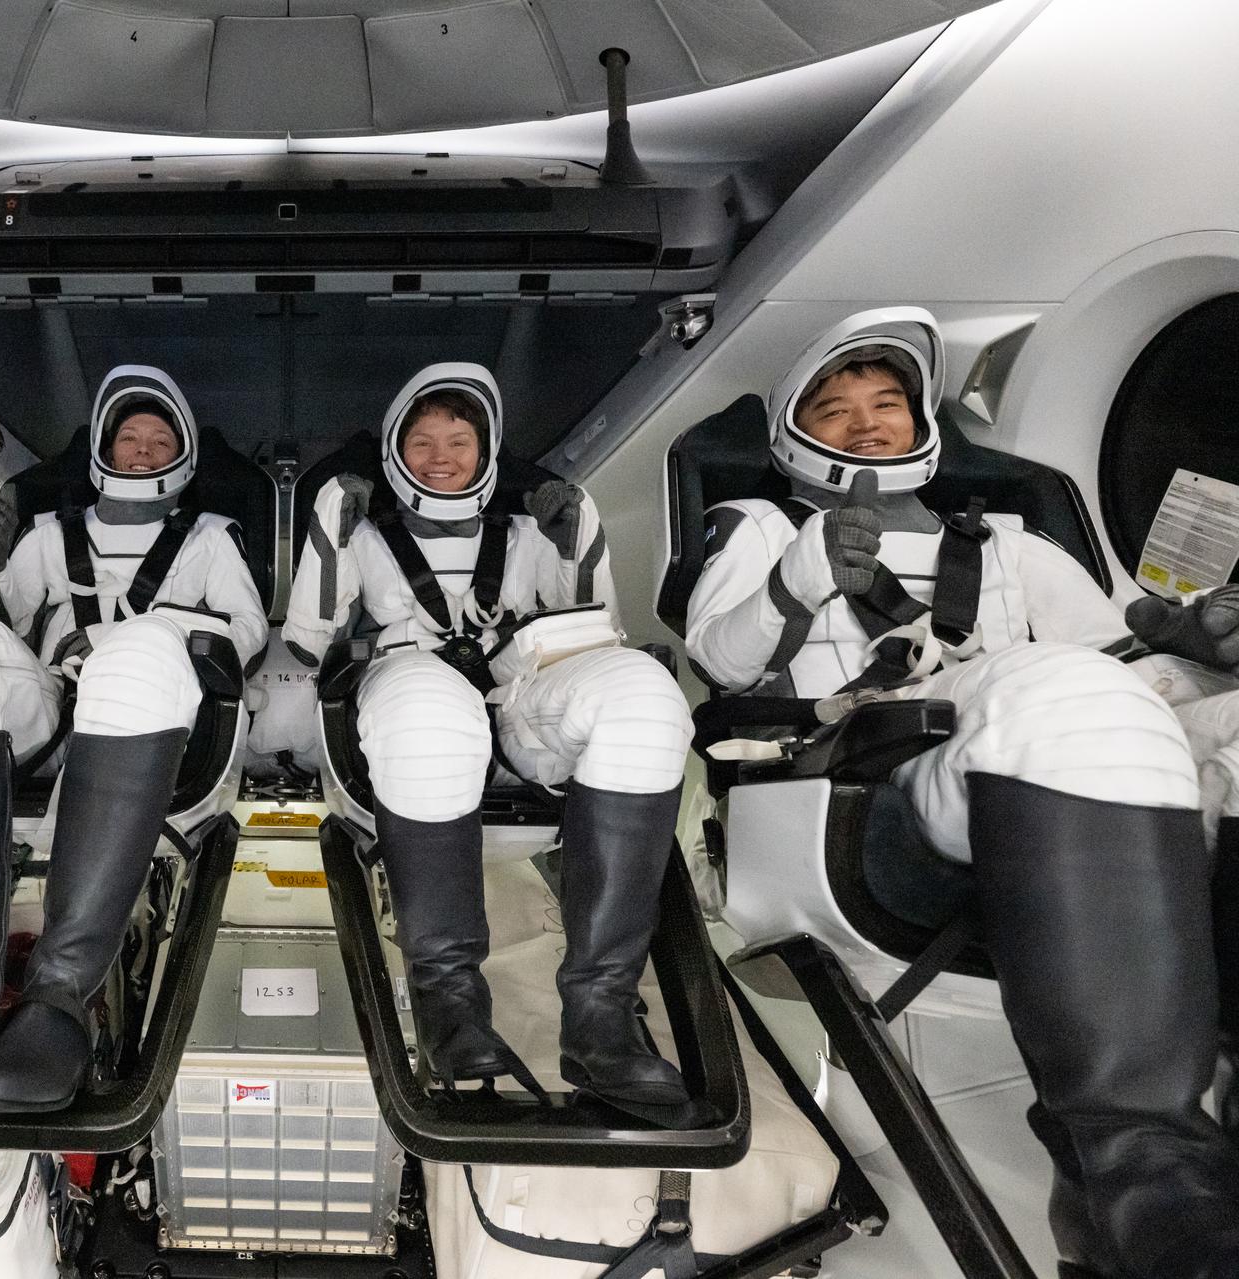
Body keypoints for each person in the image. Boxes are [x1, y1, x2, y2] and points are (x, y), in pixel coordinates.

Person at [684, 307, 1239, 1279]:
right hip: (851, 789)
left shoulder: (1015, 550)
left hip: (1022, 750)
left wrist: (1189, 651)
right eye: (837, 405)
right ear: (790, 430)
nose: (866, 424)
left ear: (921, 423)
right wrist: (797, 579)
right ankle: (1136, 1169)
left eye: (886, 402)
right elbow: (720, 660)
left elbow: (1120, 668)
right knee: (1063, 695)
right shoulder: (762, 527)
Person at [0, 365, 264, 1115]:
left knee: (139, 649)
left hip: (148, 709)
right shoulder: (48, 534)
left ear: (183, 454)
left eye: (158, 439)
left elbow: (248, 631)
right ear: (106, 446)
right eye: (129, 437)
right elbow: (1, 625)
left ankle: (58, 1000)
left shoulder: (210, 540)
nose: (141, 450)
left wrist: (144, 632)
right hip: (50, 705)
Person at [283, 364, 693, 1110]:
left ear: (487, 450)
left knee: (644, 692)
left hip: (518, 702)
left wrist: (582, 539)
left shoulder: (534, 532)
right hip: (410, 694)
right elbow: (311, 644)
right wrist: (327, 532)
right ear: (395, 452)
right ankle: (450, 1001)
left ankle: (602, 1017)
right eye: (422, 441)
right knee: (431, 704)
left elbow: (600, 634)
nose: (441, 457)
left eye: (459, 441)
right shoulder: (368, 537)